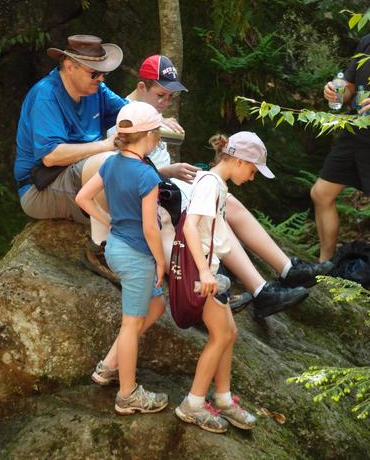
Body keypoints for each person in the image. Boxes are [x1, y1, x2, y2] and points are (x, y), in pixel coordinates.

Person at [84, 54, 332, 321]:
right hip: (152, 195)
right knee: (212, 205)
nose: (166, 103)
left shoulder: (154, 116)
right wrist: (169, 173)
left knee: (225, 201)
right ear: (142, 87)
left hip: (167, 185)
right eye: (161, 95)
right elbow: (128, 170)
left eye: (170, 97)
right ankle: (252, 290)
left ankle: (284, 270)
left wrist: (178, 171)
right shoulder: (128, 118)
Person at [175, 131, 278, 433]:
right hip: (201, 274)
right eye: (253, 169)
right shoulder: (210, 185)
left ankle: (222, 397)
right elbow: (191, 227)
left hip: (209, 271)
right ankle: (192, 404)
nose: (253, 176)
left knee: (229, 333)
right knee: (220, 336)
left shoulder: (216, 184)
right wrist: (205, 273)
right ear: (238, 160)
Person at [75, 102, 168, 415]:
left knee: (156, 305)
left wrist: (108, 218)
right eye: (157, 134)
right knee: (131, 325)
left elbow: (82, 197)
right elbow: (150, 228)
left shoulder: (112, 163)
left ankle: (109, 365)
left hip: (115, 248)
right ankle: (128, 394)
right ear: (149, 137)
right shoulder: (145, 175)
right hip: (137, 255)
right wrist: (160, 261)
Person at [14, 35, 128, 229]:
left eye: (103, 73)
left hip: (79, 175)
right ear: (70, 67)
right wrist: (106, 145)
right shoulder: (46, 96)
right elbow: (51, 156)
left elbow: (128, 113)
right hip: (40, 186)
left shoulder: (97, 90)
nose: (100, 79)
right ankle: (108, 244)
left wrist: (154, 117)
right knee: (108, 162)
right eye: (94, 73)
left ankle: (112, 241)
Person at [311, 34, 370, 262]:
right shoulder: (367, 41)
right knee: (321, 193)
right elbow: (350, 88)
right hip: (356, 131)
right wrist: (336, 90)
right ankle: (325, 266)